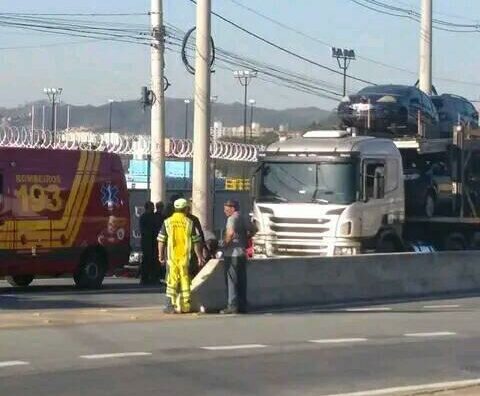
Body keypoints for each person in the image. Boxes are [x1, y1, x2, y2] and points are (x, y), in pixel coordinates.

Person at [157, 198, 205, 313]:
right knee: (185, 282)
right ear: (186, 209)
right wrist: (199, 256)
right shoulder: (190, 223)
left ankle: (170, 307)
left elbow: (161, 240)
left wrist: (161, 256)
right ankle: (185, 306)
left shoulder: (167, 222)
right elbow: (196, 241)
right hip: (185, 259)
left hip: (172, 258)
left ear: (175, 208)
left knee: (171, 283)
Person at [221, 199, 250, 314]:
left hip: (232, 254)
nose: (224, 212)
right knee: (242, 281)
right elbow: (254, 229)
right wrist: (245, 239)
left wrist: (225, 244)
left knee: (232, 281)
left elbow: (230, 233)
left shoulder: (232, 218)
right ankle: (243, 306)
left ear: (232, 208)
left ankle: (232, 305)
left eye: (226, 209)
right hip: (242, 253)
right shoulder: (243, 217)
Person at [186, 200, 206, 279]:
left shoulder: (193, 219)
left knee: (192, 263)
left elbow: (200, 232)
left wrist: (203, 243)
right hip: (190, 245)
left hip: (190, 245)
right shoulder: (193, 219)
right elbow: (199, 232)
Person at [139, 201, 157, 285]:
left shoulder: (152, 216)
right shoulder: (144, 217)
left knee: (153, 260)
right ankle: (144, 278)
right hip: (147, 241)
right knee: (146, 259)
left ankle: (152, 278)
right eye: (152, 207)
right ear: (148, 207)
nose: (153, 208)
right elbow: (144, 229)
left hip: (152, 241)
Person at [154, 201, 166, 282]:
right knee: (160, 258)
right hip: (160, 239)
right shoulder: (163, 217)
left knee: (156, 258)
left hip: (154, 240)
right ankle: (159, 275)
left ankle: (157, 276)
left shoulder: (153, 216)